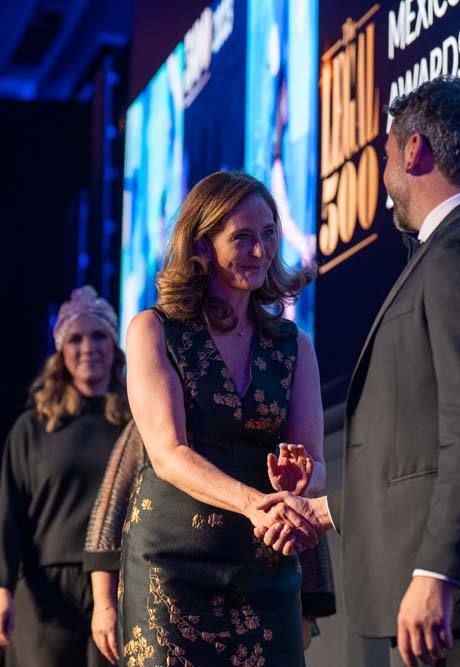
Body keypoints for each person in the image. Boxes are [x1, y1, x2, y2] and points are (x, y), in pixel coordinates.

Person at [257, 77, 460, 666]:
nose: (384, 176)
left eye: (383, 156)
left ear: (413, 150)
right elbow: (424, 454)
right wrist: (323, 511)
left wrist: (437, 572)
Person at [120, 170, 324, 664]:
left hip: (266, 568)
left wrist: (300, 483)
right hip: (171, 569)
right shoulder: (153, 330)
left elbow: (316, 464)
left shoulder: (294, 346)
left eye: (269, 233)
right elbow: (168, 454)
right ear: (202, 245)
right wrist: (256, 504)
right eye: (242, 237)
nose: (261, 250)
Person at [82, 421, 336, 664]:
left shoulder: (271, 420)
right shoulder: (157, 417)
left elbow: (297, 507)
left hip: (264, 578)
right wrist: (104, 604)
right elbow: (112, 511)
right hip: (175, 578)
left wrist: (309, 605)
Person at [0, 286, 130, 667]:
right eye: (75, 339)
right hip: (45, 589)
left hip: (120, 584)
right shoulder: (34, 426)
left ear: (114, 345)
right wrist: (0, 592)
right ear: (61, 351)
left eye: (99, 336)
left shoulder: (136, 423)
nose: (88, 347)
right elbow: (9, 516)